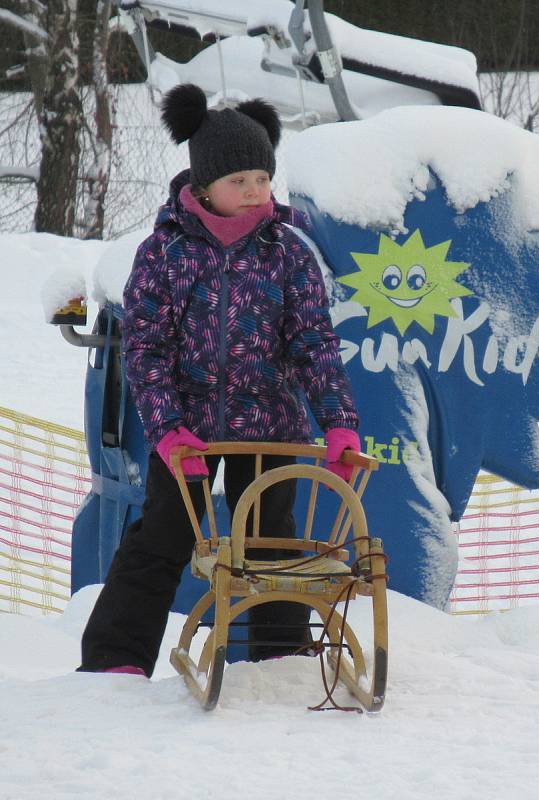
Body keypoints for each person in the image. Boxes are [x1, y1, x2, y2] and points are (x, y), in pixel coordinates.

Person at [78, 83, 360, 678]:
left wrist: (338, 423)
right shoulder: (165, 253)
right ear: (204, 184)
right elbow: (147, 349)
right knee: (161, 537)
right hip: (191, 433)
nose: (256, 191)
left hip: (269, 429)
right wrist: (167, 428)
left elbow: (314, 343)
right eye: (241, 181)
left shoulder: (287, 253)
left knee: (271, 544)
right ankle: (115, 661)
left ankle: (279, 659)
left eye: (263, 178)